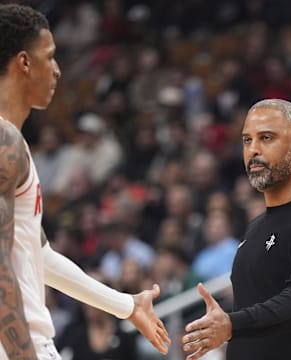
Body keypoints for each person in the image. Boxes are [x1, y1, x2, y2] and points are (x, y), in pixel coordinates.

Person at [0, 4, 169, 359]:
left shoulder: (13, 142)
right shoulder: (4, 142)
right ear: (24, 63)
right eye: (50, 57)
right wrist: (22, 354)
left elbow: (37, 254)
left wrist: (125, 305)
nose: (58, 71)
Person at [182, 98, 291, 360]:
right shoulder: (257, 227)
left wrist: (232, 325)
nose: (253, 150)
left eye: (266, 138)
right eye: (246, 140)